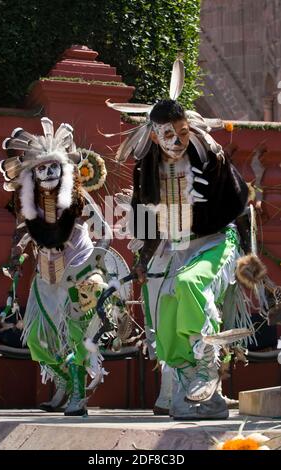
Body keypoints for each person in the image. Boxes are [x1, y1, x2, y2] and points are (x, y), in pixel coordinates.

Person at [108, 61, 266, 418]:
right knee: (165, 320)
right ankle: (194, 391)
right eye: (168, 134)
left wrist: (251, 264)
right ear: (153, 135)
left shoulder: (212, 158)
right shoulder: (145, 168)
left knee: (190, 283)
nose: (177, 141)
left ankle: (208, 363)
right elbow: (143, 219)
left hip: (215, 243)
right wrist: (141, 264)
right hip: (173, 247)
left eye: (181, 131)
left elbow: (240, 207)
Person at [0, 118, 112, 416]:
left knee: (76, 337)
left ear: (65, 169)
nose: (48, 173)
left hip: (78, 277)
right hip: (46, 279)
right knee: (36, 339)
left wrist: (93, 265)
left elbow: (105, 233)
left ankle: (78, 396)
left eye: (53, 167)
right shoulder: (31, 206)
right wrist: (16, 256)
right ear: (32, 175)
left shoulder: (77, 199)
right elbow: (22, 234)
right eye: (41, 169)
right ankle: (64, 382)